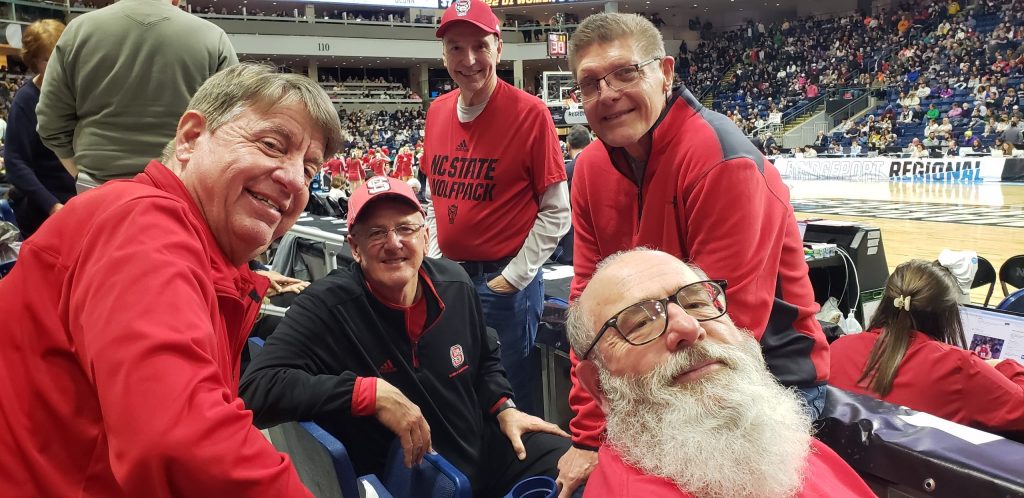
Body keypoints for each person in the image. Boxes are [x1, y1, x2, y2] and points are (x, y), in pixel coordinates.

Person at [0, 63, 342, 496]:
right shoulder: (145, 222)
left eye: (310, 169)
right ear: (190, 139)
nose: (295, 179)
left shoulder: (187, 245)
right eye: (273, 145)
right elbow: (180, 441)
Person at [560, 14, 830, 495]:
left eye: (626, 72)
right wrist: (586, 434)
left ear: (664, 73)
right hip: (661, 373)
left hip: (761, 377)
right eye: (590, 83)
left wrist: (599, 435)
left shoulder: (722, 160)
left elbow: (723, 327)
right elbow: (587, 312)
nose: (607, 94)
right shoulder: (588, 169)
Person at [239, 177, 570, 497]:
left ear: (425, 238)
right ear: (355, 247)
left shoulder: (454, 283)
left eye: (405, 228)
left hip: (479, 448)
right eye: (376, 233)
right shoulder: (327, 305)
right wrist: (368, 393)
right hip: (413, 478)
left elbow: (485, 356)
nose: (394, 242)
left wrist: (503, 407)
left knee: (576, 464)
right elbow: (256, 390)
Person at [565, 249, 874, 498]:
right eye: (640, 323)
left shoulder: (785, 444)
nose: (689, 327)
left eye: (697, 302)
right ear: (599, 389)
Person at [423, 0, 571, 416]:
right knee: (459, 384)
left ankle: (518, 476)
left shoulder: (531, 114)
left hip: (502, 285)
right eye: (455, 48)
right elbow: (436, 196)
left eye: (480, 46)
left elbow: (557, 211)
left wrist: (512, 278)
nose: (468, 60)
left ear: (499, 48)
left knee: (510, 395)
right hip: (448, 279)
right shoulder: (435, 113)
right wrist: (435, 259)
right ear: (443, 53)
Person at [37, 0, 238, 188]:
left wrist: (80, 174)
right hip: (182, 186)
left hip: (97, 185)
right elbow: (234, 127)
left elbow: (50, 125)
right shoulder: (213, 37)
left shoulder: (77, 31)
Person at [830, 260, 1024, 432]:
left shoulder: (837, 349)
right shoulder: (959, 367)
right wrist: (1001, 366)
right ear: (947, 316)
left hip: (848, 468)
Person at [3, 20, 75, 238]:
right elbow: (16, 163)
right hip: (43, 209)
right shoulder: (26, 101)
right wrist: (51, 205)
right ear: (33, 62)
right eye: (46, 59)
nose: (56, 64)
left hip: (78, 200)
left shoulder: (78, 92)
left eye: (59, 56)